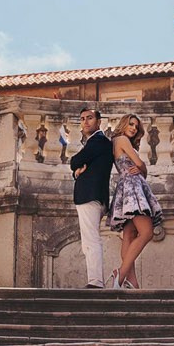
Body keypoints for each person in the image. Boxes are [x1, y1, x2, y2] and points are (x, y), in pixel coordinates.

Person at [107, 112, 163, 289]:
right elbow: (140, 165)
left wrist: (141, 169)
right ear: (123, 124)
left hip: (128, 188)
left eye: (136, 126)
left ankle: (132, 280)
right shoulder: (122, 139)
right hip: (132, 188)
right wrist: (142, 168)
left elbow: (140, 168)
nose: (133, 128)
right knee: (146, 232)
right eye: (131, 124)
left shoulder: (118, 142)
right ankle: (121, 273)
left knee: (129, 236)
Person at [67, 107, 113, 288]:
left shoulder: (98, 141)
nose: (85, 121)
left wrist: (76, 167)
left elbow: (75, 161)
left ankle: (96, 281)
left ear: (99, 121)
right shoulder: (96, 144)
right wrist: (77, 172)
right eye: (82, 118)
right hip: (94, 196)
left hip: (90, 196)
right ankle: (95, 280)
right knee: (89, 240)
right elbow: (80, 167)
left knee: (91, 240)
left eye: (90, 118)